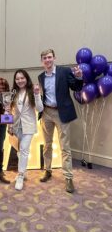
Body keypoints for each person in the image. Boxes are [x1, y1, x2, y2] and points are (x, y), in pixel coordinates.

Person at [38, 49, 83, 193]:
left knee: (65, 147)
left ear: (54, 58)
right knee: (47, 145)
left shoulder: (64, 72)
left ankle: (68, 178)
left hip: (61, 113)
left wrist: (79, 78)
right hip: (46, 112)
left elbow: (76, 87)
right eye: (45, 58)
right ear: (42, 61)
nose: (48, 60)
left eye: (50, 57)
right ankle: (48, 170)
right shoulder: (41, 76)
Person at [8, 69, 44, 190]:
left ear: (26, 78)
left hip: (28, 126)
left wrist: (37, 94)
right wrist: (9, 124)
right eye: (17, 79)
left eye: (22, 78)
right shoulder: (13, 92)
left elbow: (39, 108)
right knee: (19, 150)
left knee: (24, 150)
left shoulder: (32, 91)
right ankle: (24, 171)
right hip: (16, 125)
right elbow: (10, 111)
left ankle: (20, 175)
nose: (20, 81)